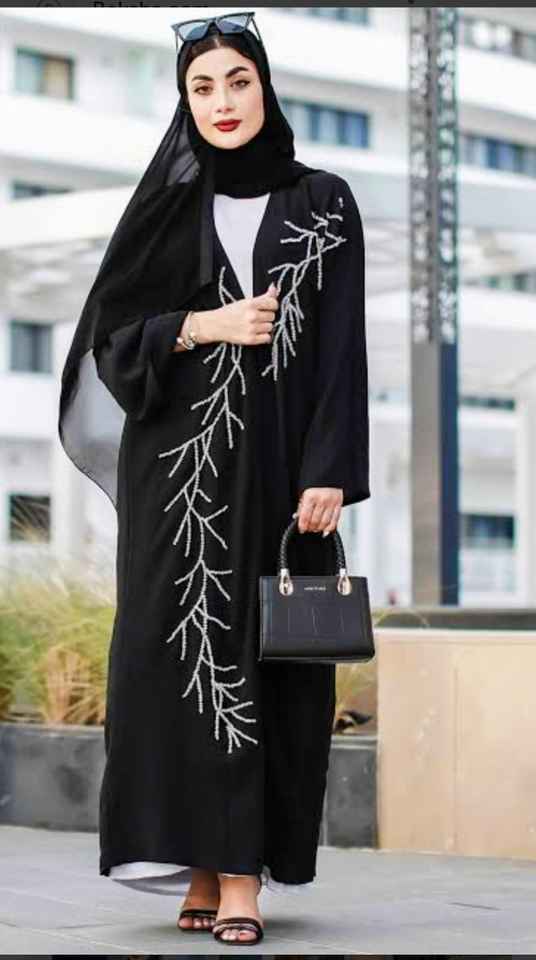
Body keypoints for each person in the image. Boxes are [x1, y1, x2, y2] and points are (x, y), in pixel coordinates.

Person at [58, 9, 369, 948]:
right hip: (176, 484)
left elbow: (341, 348)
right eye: (202, 87)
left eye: (238, 81)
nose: (222, 101)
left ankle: (243, 878)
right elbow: (111, 347)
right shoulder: (165, 210)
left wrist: (331, 472)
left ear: (264, 87)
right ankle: (201, 864)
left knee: (265, 667)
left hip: (277, 478)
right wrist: (204, 325)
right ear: (184, 101)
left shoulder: (323, 202)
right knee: (172, 665)